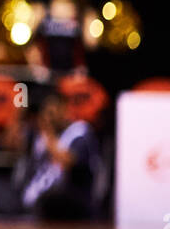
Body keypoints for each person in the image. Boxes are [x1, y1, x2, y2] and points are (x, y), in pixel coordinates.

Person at [18, 92, 105, 220]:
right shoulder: (38, 134)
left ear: (64, 109)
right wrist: (18, 118)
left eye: (53, 113)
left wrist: (49, 134)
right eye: (46, 113)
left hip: (72, 201)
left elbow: (69, 161)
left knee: (51, 200)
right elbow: (12, 146)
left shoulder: (79, 131)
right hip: (38, 198)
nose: (50, 118)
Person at [26, 0, 99, 76]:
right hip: (44, 78)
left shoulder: (86, 14)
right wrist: (34, 61)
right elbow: (25, 44)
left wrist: (88, 20)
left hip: (75, 79)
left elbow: (92, 44)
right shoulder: (40, 10)